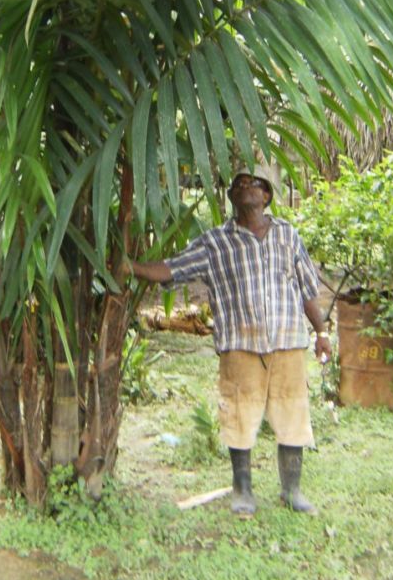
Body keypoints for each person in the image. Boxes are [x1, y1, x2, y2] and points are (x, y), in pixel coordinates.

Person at [122, 167, 331, 518]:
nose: (245, 188)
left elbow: (308, 289)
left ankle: (292, 490)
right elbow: (171, 269)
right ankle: (243, 491)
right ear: (232, 199)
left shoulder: (288, 236)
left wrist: (322, 332)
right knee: (239, 416)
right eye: (238, 185)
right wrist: (129, 266)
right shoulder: (215, 242)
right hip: (240, 344)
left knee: (292, 412)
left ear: (267, 196)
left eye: (253, 184)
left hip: (287, 341)